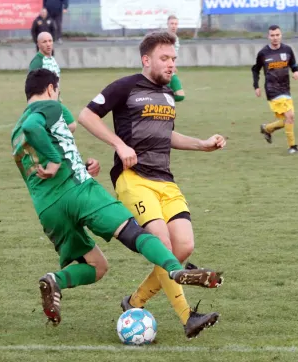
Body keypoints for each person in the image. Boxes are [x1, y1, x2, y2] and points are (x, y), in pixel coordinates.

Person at [12, 68, 224, 326]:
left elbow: (40, 155)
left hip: (47, 210)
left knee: (96, 265)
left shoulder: (15, 135)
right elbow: (34, 126)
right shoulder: (48, 106)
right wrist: (58, 161)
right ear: (50, 89)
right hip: (79, 192)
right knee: (134, 232)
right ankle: (174, 269)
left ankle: (55, 280)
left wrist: (77, 162)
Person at [77, 31, 227, 339]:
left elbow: (165, 135)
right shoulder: (126, 86)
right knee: (163, 245)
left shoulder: (169, 93)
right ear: (147, 60)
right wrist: (119, 145)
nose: (171, 64)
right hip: (134, 179)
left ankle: (134, 301)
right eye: (165, 58)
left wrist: (201, 144)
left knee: (184, 247)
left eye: (174, 59)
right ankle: (188, 317)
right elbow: (86, 115)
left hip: (165, 180)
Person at [252, 25, 298, 154]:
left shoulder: (287, 50)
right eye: (272, 35)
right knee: (290, 116)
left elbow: (294, 66)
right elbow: (255, 69)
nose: (275, 38)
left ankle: (267, 128)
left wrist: (297, 72)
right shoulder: (263, 53)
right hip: (272, 90)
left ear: (281, 35)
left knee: (287, 119)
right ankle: (293, 146)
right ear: (268, 37)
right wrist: (256, 86)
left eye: (277, 35)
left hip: (285, 89)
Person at [28, 32, 76, 132]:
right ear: (38, 44)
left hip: (55, 101)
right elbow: (31, 86)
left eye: (50, 41)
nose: (48, 44)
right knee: (71, 125)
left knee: (69, 126)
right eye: (44, 42)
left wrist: (57, 94)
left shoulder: (52, 59)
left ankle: (47, 140)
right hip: (45, 104)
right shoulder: (37, 62)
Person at [166, 15, 185, 102]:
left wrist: (173, 64)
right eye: (172, 23)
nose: (174, 26)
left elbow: (173, 55)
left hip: (170, 70)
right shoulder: (164, 38)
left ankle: (160, 98)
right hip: (163, 71)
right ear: (168, 24)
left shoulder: (176, 38)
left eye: (176, 24)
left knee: (180, 96)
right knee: (166, 93)